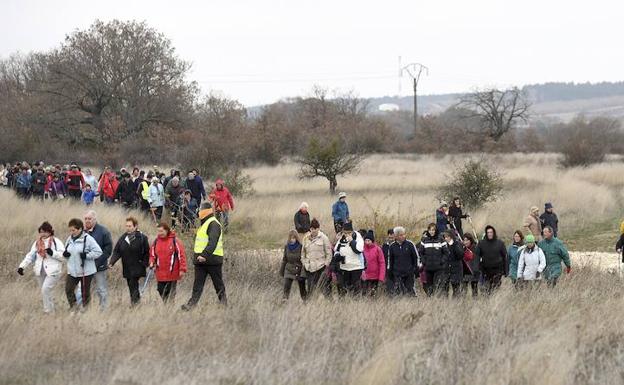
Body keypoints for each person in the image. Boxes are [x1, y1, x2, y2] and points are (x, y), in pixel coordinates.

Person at [182, 202, 226, 310]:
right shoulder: (205, 224)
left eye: (200, 210)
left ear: (206, 211)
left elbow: (213, 242)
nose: (199, 212)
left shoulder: (213, 224)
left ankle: (224, 306)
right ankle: (190, 306)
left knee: (218, 285)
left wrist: (204, 255)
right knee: (197, 285)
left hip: (212, 260)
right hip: (200, 261)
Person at [17, 222, 66, 313]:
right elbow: (30, 256)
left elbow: (64, 257)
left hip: (53, 271)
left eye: (45, 232)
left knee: (45, 289)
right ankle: (52, 311)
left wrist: (53, 253)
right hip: (40, 271)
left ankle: (47, 311)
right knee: (45, 292)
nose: (43, 234)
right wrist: (22, 267)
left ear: (50, 232)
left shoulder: (56, 242)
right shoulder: (37, 243)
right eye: (41, 232)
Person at [63, 218, 103, 310]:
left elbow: (98, 252)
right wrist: (65, 255)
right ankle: (73, 308)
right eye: (70, 230)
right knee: (68, 290)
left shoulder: (88, 239)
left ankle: (86, 310)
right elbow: (67, 252)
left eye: (73, 230)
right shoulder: (69, 239)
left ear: (80, 229)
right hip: (72, 270)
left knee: (85, 292)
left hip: (86, 271)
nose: (71, 232)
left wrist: (87, 255)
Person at [109, 217, 150, 306]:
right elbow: (117, 251)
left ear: (135, 227)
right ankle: (136, 303)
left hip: (138, 266)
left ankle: (135, 304)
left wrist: (145, 263)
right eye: (126, 226)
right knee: (131, 285)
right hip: (127, 266)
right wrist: (112, 262)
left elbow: (147, 252)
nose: (128, 228)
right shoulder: (123, 238)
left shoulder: (142, 238)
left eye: (130, 226)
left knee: (132, 283)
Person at [149, 222, 187, 302]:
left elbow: (181, 255)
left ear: (166, 230)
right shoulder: (156, 241)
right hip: (160, 273)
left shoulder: (175, 241)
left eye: (161, 231)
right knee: (160, 290)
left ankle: (169, 307)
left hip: (172, 273)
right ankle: (167, 304)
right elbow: (152, 255)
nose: (160, 233)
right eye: (158, 231)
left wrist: (182, 269)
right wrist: (152, 262)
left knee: (171, 293)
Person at [82, 210, 113, 310]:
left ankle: (103, 309)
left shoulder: (103, 231)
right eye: (86, 219)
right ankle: (85, 309)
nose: (87, 221)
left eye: (89, 219)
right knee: (83, 289)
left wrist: (98, 262)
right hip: (84, 266)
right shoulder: (81, 232)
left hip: (99, 266)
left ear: (95, 219)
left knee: (101, 289)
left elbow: (108, 249)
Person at [331, 221, 364, 296]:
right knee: (344, 288)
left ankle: (355, 304)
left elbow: (359, 250)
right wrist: (337, 255)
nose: (346, 235)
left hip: (355, 267)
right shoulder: (342, 238)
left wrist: (352, 241)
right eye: (345, 233)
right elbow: (336, 249)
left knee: (355, 290)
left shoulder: (358, 237)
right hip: (345, 267)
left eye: (348, 233)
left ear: (352, 231)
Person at [301, 218, 332, 297]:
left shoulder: (324, 238)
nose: (313, 230)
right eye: (312, 228)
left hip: (320, 267)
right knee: (310, 289)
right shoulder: (305, 238)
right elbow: (303, 253)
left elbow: (329, 253)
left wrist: (326, 264)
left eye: (315, 228)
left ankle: (329, 305)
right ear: (310, 229)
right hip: (309, 268)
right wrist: (305, 263)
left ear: (318, 228)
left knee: (324, 289)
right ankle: (311, 305)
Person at [475, 225, 507, 294]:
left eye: (491, 232)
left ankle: (495, 302)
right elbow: (477, 256)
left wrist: (505, 270)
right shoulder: (481, 243)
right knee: (487, 290)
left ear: (494, 233)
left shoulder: (500, 243)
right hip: (486, 271)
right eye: (488, 232)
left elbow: (505, 257)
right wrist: (477, 268)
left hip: (497, 270)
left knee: (495, 289)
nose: (489, 234)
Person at [418, 223, 449, 296]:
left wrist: (442, 261)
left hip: (438, 268)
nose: (431, 231)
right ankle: (430, 301)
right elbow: (421, 252)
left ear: (436, 230)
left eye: (433, 230)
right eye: (430, 230)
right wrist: (423, 261)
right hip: (428, 267)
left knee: (437, 286)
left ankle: (437, 300)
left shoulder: (441, 239)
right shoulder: (424, 240)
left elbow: (446, 253)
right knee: (429, 286)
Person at [388, 227, 419, 296]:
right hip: (397, 273)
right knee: (398, 292)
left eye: (404, 234)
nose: (403, 236)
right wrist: (390, 271)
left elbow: (416, 257)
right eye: (401, 235)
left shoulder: (410, 244)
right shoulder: (392, 246)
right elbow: (390, 260)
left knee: (410, 291)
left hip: (409, 273)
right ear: (396, 236)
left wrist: (415, 269)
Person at [279, 230, 307, 301]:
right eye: (291, 238)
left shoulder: (301, 246)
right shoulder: (287, 247)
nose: (292, 239)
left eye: (294, 238)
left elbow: (304, 259)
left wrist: (303, 273)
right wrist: (282, 271)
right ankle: (284, 300)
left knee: (302, 288)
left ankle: (306, 301)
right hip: (289, 268)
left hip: (299, 269)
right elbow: (284, 259)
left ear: (296, 238)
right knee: (286, 286)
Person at [362, 230, 386, 296]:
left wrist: (381, 277)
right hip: (365, 277)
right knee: (364, 294)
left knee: (373, 294)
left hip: (375, 277)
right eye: (365, 240)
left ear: (372, 241)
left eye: (368, 240)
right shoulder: (362, 249)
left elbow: (382, 263)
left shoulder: (378, 249)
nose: (367, 242)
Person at [443, 230, 464, 297]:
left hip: (456, 270)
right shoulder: (444, 245)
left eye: (447, 237)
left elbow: (460, 255)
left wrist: (454, 245)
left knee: (456, 289)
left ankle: (456, 304)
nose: (446, 238)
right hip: (446, 270)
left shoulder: (457, 244)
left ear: (451, 237)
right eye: (445, 237)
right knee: (445, 289)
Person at [461, 233, 479, 297]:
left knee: (474, 289)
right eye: (464, 240)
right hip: (466, 271)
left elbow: (477, 260)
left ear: (470, 240)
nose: (465, 242)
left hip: (474, 271)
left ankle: (475, 303)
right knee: (463, 290)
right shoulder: (463, 249)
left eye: (467, 240)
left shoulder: (476, 248)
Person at [381, 229, 395, 295]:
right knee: (388, 286)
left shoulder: (397, 245)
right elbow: (382, 258)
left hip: (396, 268)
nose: (391, 239)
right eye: (389, 237)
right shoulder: (384, 246)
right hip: (387, 269)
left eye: (392, 237)